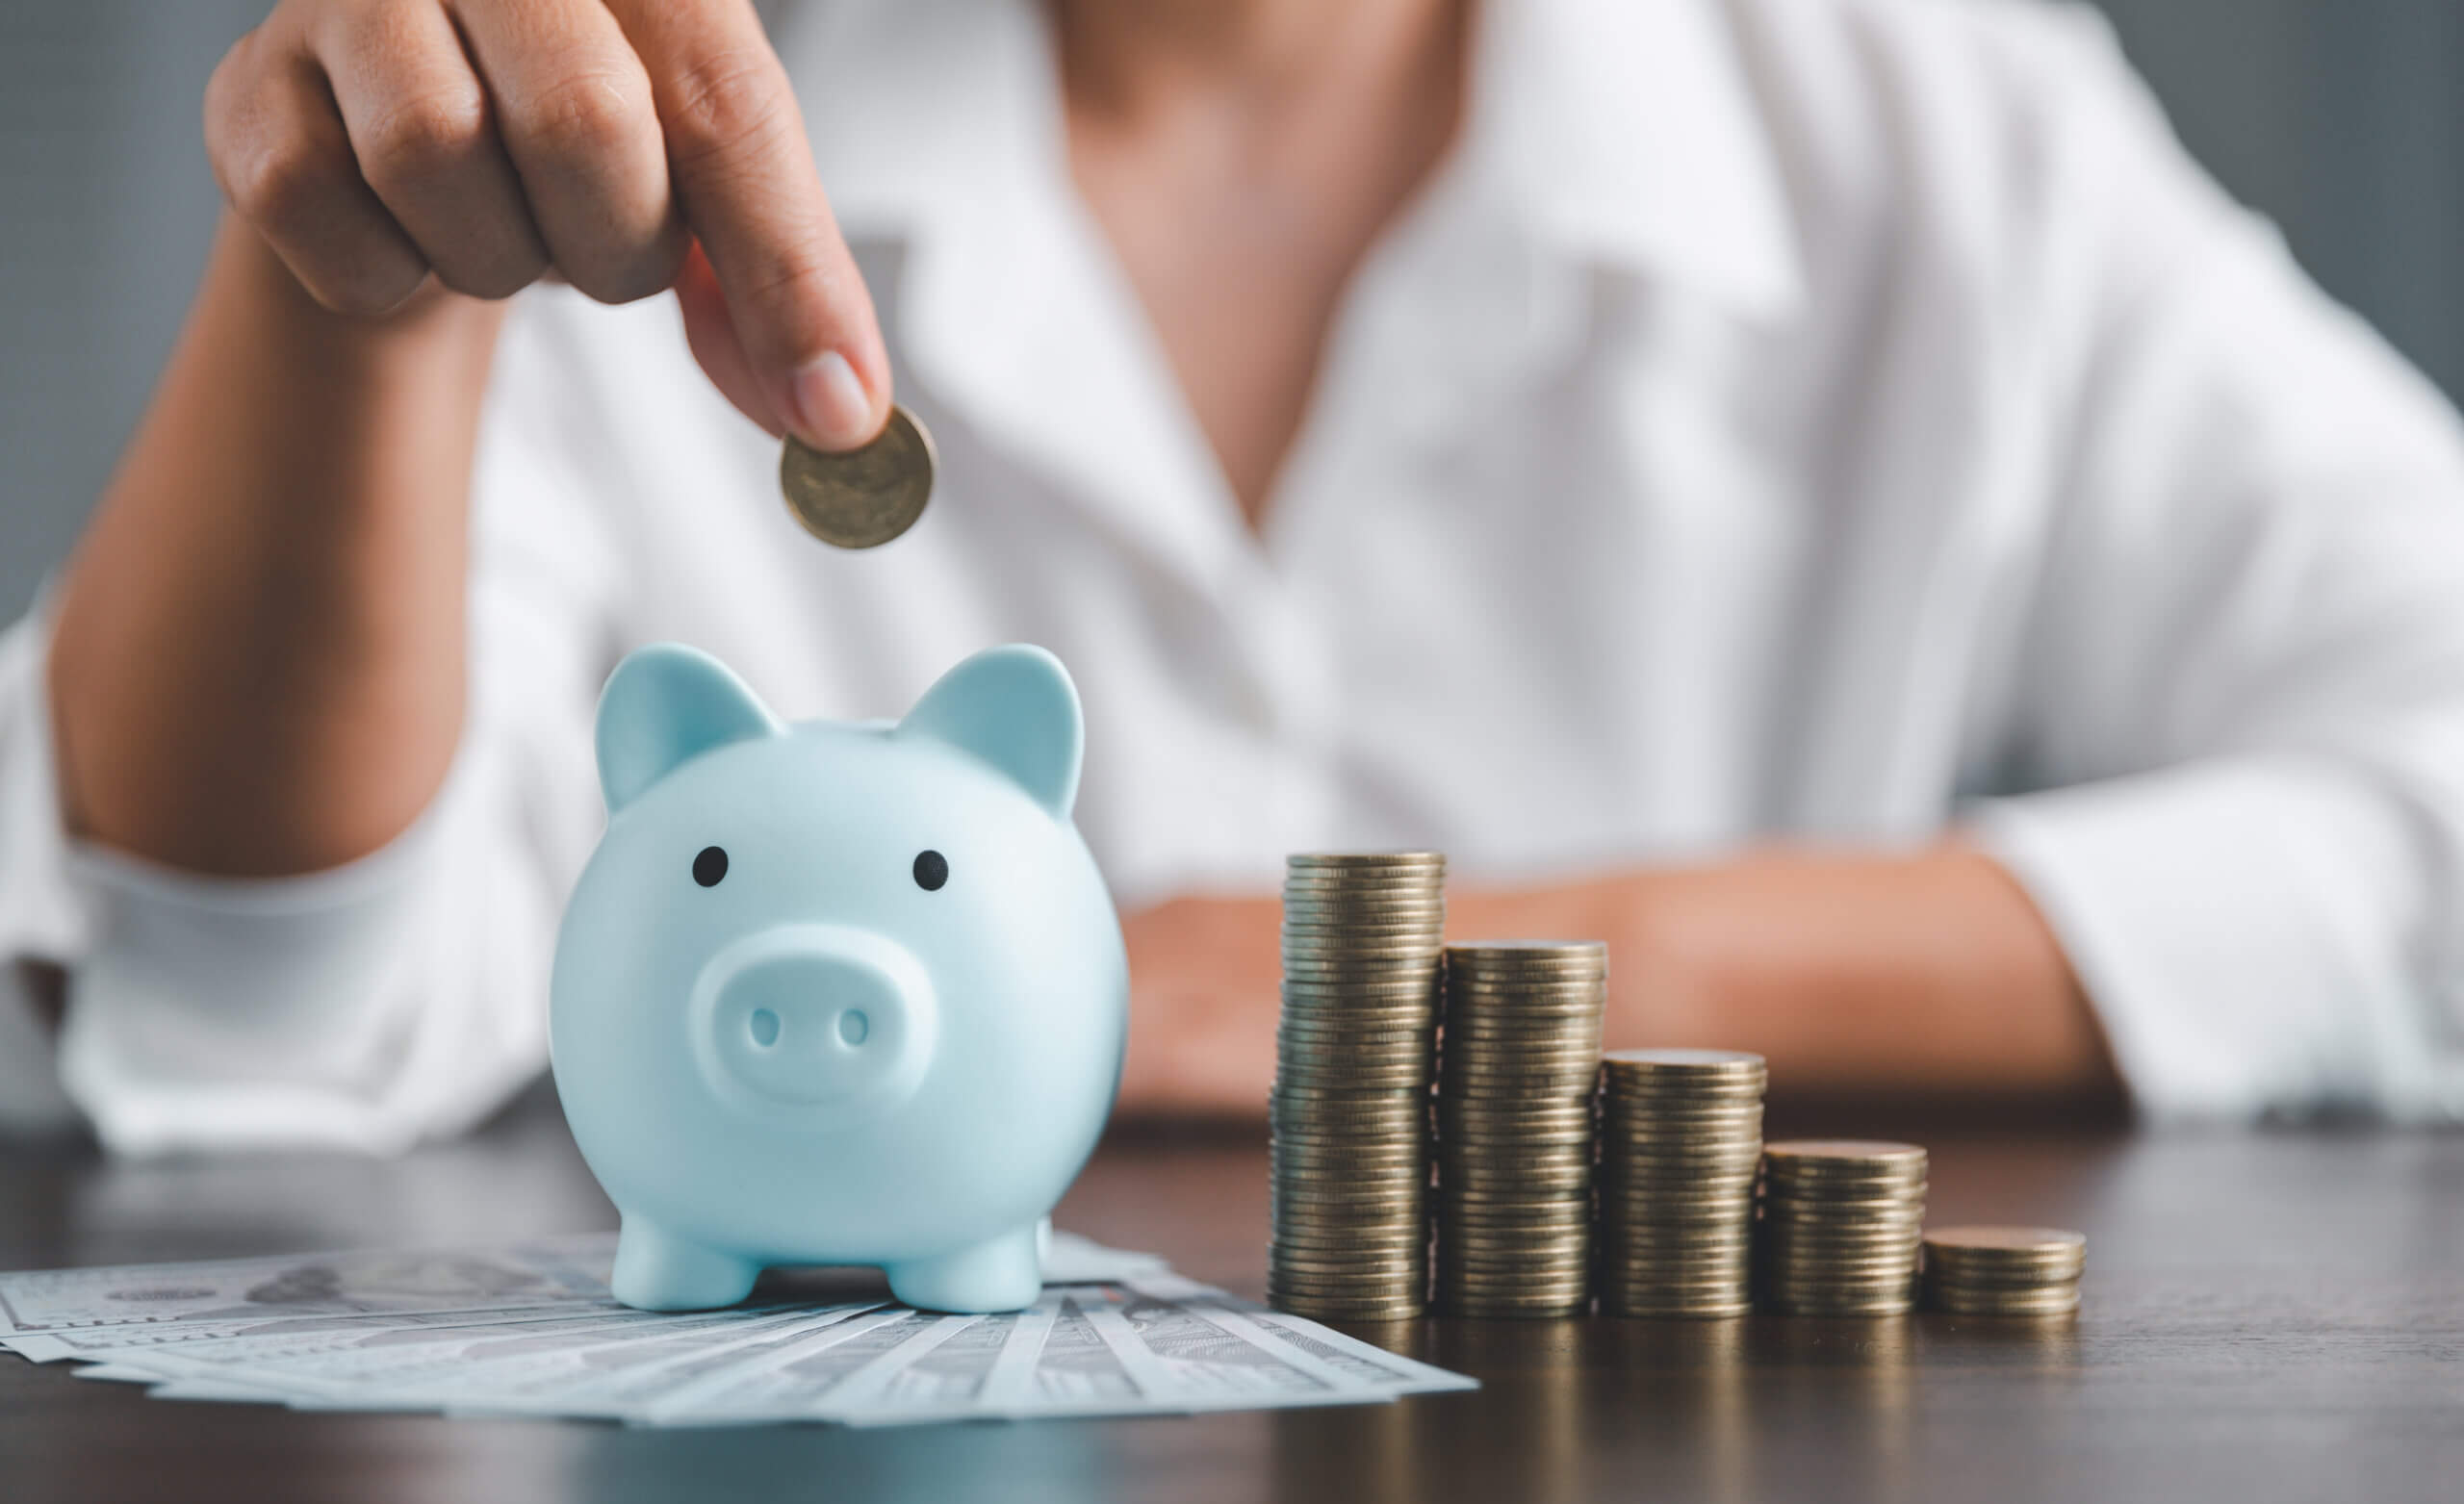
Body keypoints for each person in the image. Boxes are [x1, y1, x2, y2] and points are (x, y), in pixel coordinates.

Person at [5, 0, 2463, 1156]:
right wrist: (358, 299)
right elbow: (254, 1015)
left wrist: (1476, 972)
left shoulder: (1930, 119)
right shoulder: (624, 93)